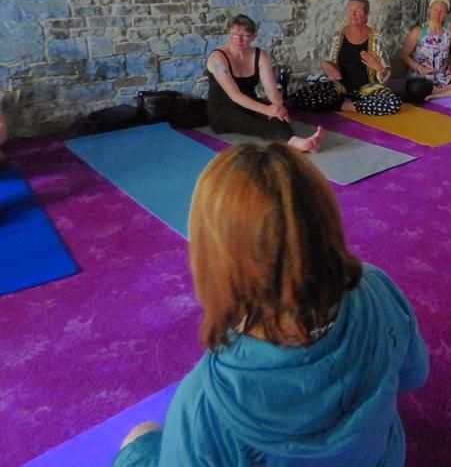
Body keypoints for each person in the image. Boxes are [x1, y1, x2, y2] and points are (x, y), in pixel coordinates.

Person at [113, 143, 429, 466]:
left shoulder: (203, 409)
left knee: (139, 435)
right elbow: (414, 375)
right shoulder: (376, 287)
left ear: (214, 259)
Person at [206, 15, 322, 152]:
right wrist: (267, 109)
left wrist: (278, 107)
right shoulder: (217, 58)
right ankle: (296, 143)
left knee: (277, 117)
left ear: (253, 37)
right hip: (223, 110)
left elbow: (270, 89)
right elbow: (235, 95)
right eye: (235, 34)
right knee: (257, 124)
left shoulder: (260, 55)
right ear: (229, 34)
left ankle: (297, 141)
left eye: (246, 35)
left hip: (250, 102)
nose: (239, 39)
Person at [291, 0, 401, 116]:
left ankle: (342, 105)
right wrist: (326, 65)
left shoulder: (375, 38)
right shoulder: (339, 35)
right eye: (350, 10)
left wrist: (378, 68)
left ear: (366, 14)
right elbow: (333, 67)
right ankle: (349, 105)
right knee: (300, 96)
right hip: (340, 88)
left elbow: (385, 77)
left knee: (392, 103)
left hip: (367, 89)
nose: (353, 14)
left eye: (358, 11)